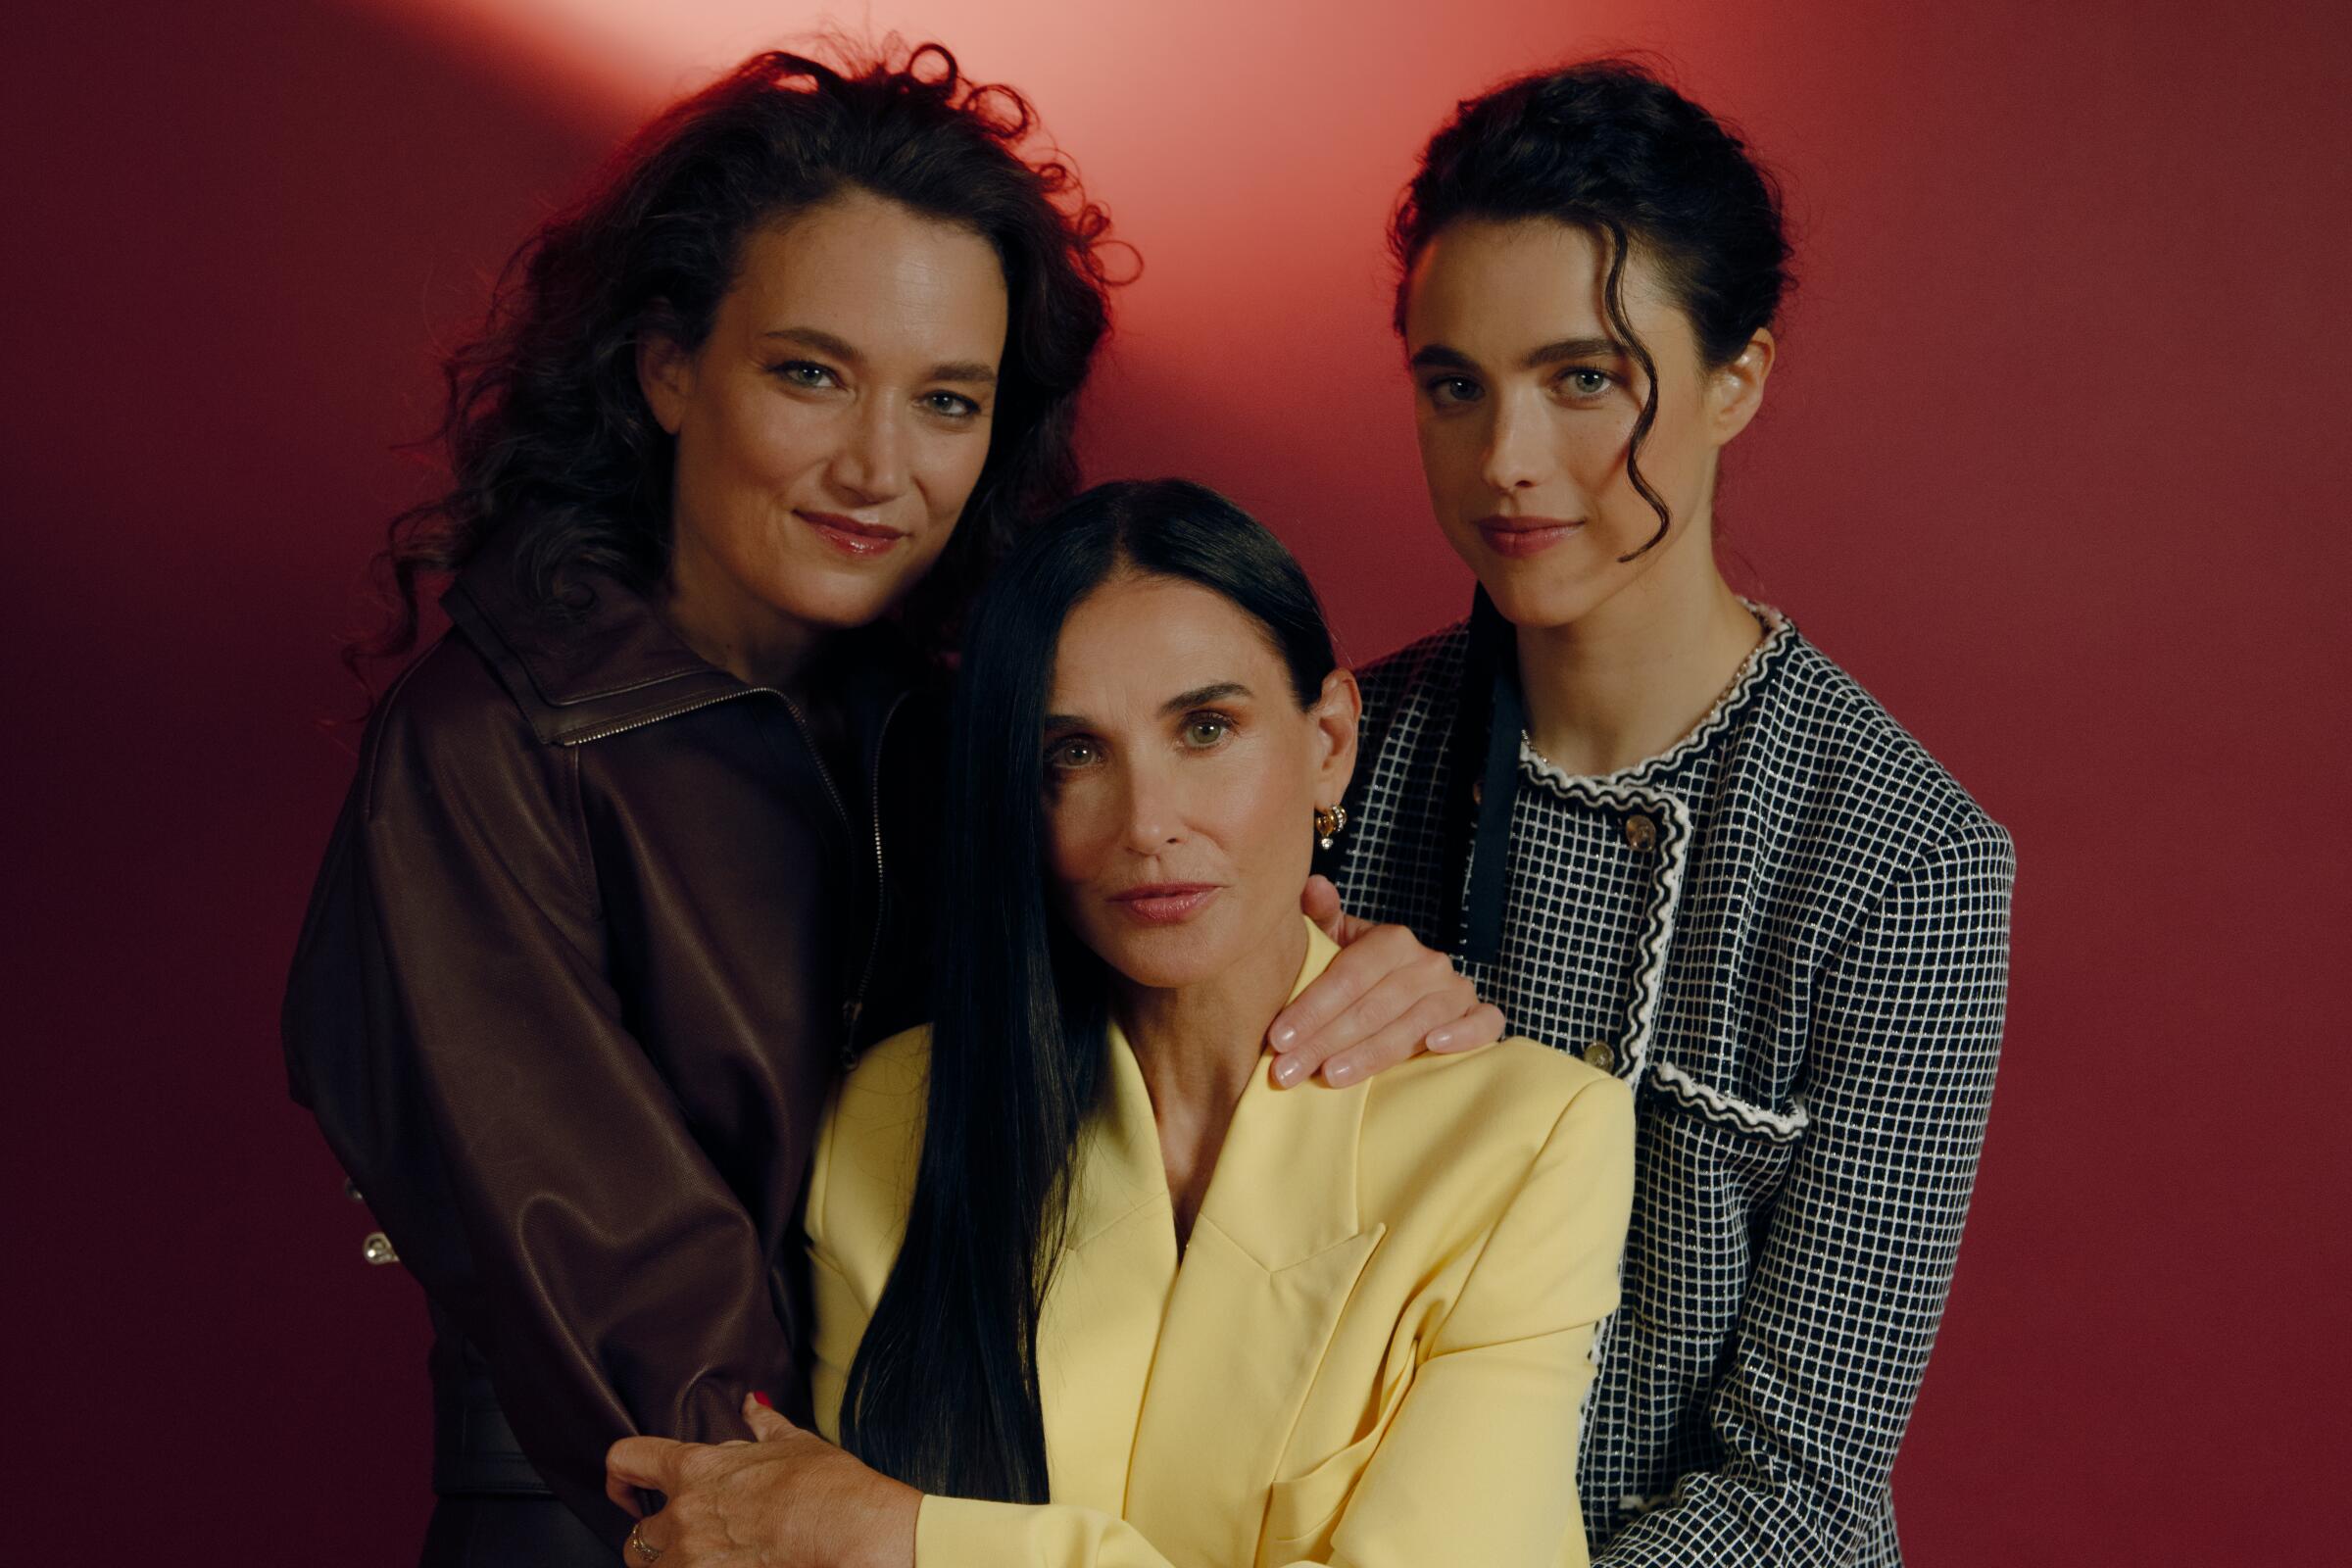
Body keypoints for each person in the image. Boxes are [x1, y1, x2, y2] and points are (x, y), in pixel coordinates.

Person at [282, 49, 1494, 1564]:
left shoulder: (981, 717)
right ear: (668, 369)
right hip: (653, 1527)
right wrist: (907, 1532)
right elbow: (641, 1315)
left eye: (946, 400)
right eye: (809, 373)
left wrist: (1343, 984)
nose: (878, 467)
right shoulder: (493, 746)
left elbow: (1129, 1065)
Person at [606, 478, 1636, 1568]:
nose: (1148, 824)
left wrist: (900, 1537)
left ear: (1329, 738)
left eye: (1205, 728)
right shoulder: (896, 1115)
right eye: (1075, 755)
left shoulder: (1529, 1138)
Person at [1330, 59, 2017, 1565]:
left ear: (1737, 378)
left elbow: (1803, 1486)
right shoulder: (1330, 759)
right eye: (1456, 385)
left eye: (1585, 378)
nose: (1506, 461)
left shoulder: (1905, 863)